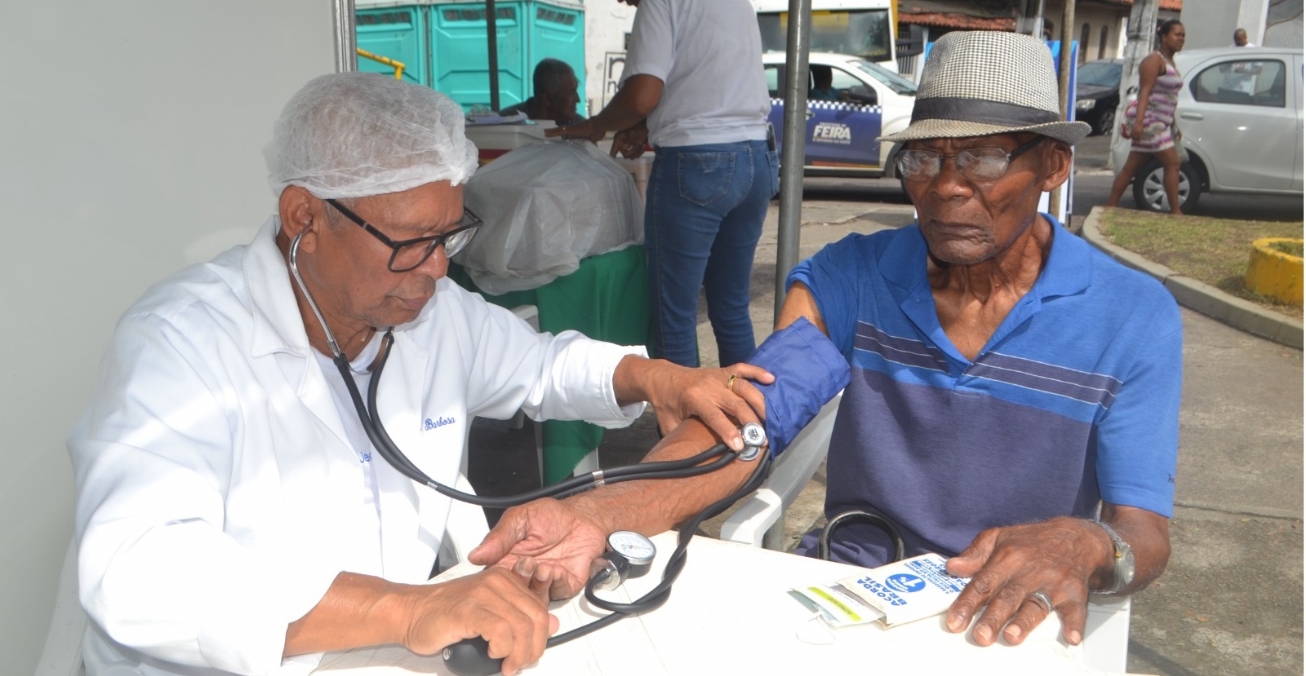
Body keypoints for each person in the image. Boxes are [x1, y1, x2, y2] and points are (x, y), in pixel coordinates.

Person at [473, 31, 1181, 652]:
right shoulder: (851, 278)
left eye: (985, 160)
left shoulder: (1132, 315)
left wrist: (1085, 542)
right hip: (854, 591)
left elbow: (1142, 534)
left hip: (1008, 614)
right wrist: (599, 513)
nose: (945, 189)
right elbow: (748, 419)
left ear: (1054, 166)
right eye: (924, 160)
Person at [67, 72, 773, 676]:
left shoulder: (429, 312)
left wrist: (655, 378)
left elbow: (544, 364)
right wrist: (406, 606)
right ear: (304, 216)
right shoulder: (181, 343)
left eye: (449, 235)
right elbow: (134, 569)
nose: (438, 268)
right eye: (410, 243)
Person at [546, 0, 779, 370]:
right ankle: (746, 421)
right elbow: (703, 80)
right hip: (755, 157)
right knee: (731, 308)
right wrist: (644, 124)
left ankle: (685, 426)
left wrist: (598, 124)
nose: (623, 2)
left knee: (675, 319)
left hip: (698, 165)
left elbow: (642, 95)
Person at [1106, 19, 1186, 215]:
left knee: (1131, 167)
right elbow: (1145, 93)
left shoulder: (1169, 61)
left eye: (1183, 35)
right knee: (1173, 162)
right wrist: (1139, 123)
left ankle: (1109, 207)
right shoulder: (1154, 61)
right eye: (1177, 35)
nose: (1181, 39)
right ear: (1164, 36)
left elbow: (1167, 97)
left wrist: (1173, 124)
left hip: (1160, 120)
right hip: (1150, 121)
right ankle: (1176, 211)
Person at [498, 58, 603, 143]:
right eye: (571, 92)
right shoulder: (506, 125)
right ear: (546, 99)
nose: (578, 99)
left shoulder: (580, 128)